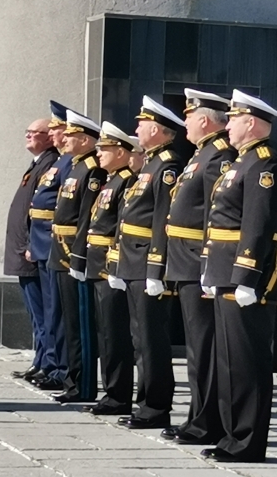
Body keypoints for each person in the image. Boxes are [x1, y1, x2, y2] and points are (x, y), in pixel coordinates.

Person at [200, 89, 277, 463]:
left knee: (246, 362)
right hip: (224, 270)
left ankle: (248, 442)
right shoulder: (242, 162)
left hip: (244, 276)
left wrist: (246, 277)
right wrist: (210, 267)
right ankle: (232, 435)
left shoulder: (265, 166)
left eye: (234, 118)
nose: (228, 125)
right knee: (228, 360)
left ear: (250, 122)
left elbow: (257, 226)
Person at [160, 89, 237, 446]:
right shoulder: (201, 155)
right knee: (196, 346)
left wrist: (207, 261)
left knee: (204, 347)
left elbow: (214, 214)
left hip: (196, 260)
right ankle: (197, 416)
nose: (185, 122)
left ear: (203, 119)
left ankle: (206, 421)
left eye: (188, 116)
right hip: (184, 260)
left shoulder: (218, 156)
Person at [114, 96, 184, 429]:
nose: (136, 130)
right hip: (132, 260)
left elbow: (160, 220)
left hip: (146, 262)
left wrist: (156, 267)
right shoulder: (151, 164)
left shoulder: (167, 167)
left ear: (156, 129)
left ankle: (155, 406)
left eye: (141, 124)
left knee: (151, 340)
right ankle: (145, 403)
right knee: (139, 338)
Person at [79, 122, 139, 416]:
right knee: (106, 332)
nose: (99, 154)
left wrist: (113, 262)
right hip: (98, 261)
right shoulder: (111, 180)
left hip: (110, 264)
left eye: (104, 149)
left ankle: (119, 395)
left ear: (120, 152)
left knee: (116, 334)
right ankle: (112, 392)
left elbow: (121, 227)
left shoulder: (127, 181)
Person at [51, 110, 107, 403]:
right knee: (69, 321)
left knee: (81, 323)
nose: (66, 138)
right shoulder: (74, 167)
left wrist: (80, 255)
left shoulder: (92, 171)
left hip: (75, 250)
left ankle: (83, 385)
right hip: (60, 248)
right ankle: (73, 380)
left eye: (72, 135)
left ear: (85, 140)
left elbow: (86, 217)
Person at [5, 118, 59, 381]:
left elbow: (41, 212)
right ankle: (40, 359)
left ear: (48, 137)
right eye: (26, 131)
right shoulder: (39, 163)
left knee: (43, 313)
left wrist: (28, 244)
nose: (27, 136)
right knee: (36, 313)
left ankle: (47, 362)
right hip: (24, 251)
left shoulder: (49, 163)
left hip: (31, 250)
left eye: (33, 132)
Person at [27, 102, 73, 392]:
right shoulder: (59, 163)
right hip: (43, 241)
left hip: (57, 243)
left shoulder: (69, 163)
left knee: (57, 310)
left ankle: (59, 367)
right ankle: (52, 365)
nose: (56, 135)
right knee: (49, 310)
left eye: (57, 130)